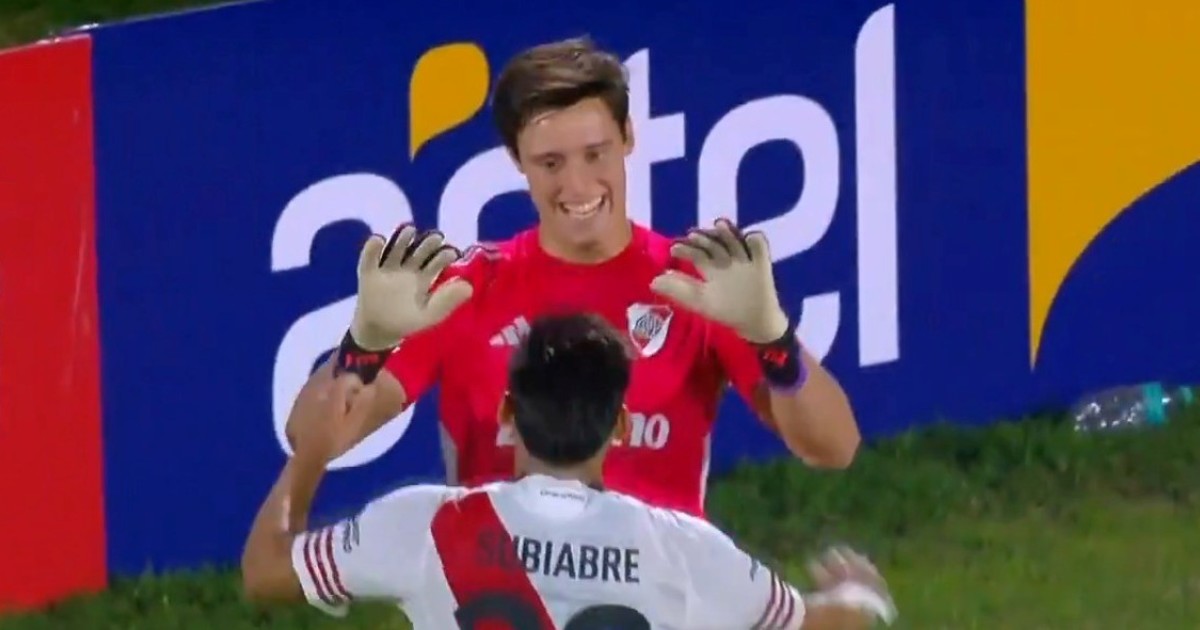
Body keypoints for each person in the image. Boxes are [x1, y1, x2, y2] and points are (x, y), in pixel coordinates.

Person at [289, 36, 861, 517]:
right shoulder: (467, 290)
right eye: (551, 163)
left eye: (595, 154)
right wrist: (364, 345)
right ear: (517, 160)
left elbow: (834, 446)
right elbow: (312, 440)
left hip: (658, 602)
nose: (579, 186)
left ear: (628, 137)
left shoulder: (694, 286)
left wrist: (772, 338)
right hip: (499, 601)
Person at [245, 312, 897, 628]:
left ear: (507, 414)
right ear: (621, 427)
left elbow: (265, 571)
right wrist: (855, 595)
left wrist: (312, 454)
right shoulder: (681, 549)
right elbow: (819, 626)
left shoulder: (425, 525)